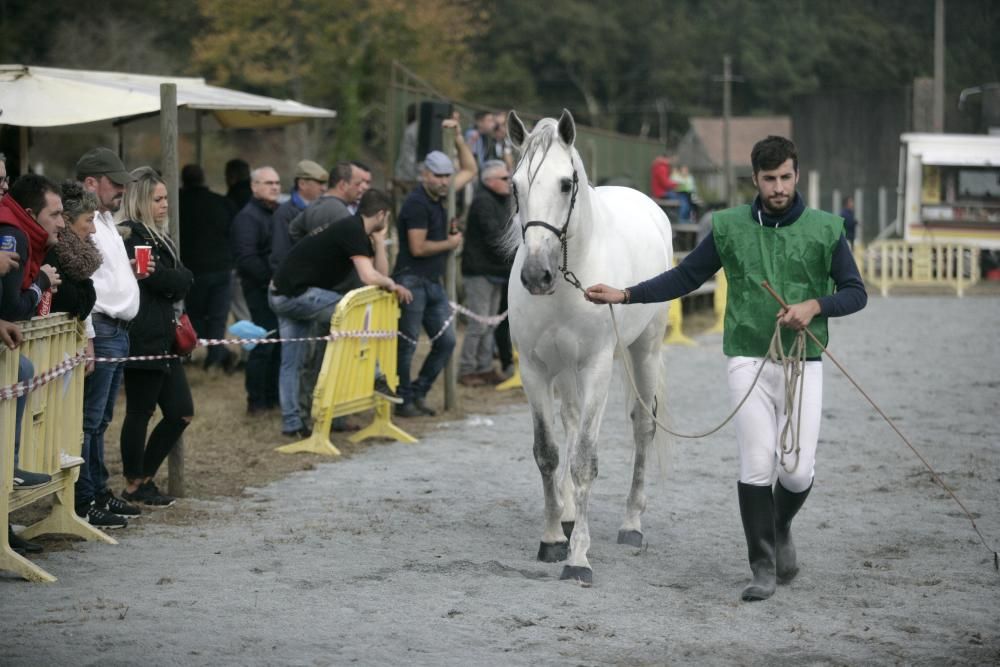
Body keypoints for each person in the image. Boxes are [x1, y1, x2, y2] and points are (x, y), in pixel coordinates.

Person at [585, 135, 868, 603]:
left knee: (797, 471)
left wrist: (815, 304)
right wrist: (625, 294)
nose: (778, 187)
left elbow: (856, 292)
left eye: (785, 177)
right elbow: (685, 276)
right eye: (769, 179)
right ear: (754, 180)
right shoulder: (728, 226)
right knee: (756, 464)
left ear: (796, 175)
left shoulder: (827, 229)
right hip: (747, 356)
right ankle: (761, 567)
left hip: (804, 359)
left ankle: (779, 528)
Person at [269, 189, 413, 436]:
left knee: (291, 363)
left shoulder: (355, 230)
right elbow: (370, 277)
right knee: (351, 313)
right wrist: (392, 285)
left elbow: (380, 271)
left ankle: (293, 424)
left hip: (280, 291)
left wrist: (379, 243)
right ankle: (376, 375)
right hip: (294, 294)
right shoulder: (352, 230)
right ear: (381, 214)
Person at [76, 148, 150, 529]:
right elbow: (83, 282)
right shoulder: (84, 224)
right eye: (115, 182)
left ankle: (98, 490)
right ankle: (84, 499)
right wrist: (88, 333)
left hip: (116, 329)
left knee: (101, 419)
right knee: (89, 420)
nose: (122, 188)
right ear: (91, 182)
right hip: (102, 329)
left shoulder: (105, 220)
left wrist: (132, 279)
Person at [116, 167, 194, 508]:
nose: (165, 205)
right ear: (140, 201)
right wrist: (178, 277)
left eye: (165, 198)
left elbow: (180, 277)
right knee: (140, 411)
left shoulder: (159, 235)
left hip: (165, 335)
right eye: (157, 199)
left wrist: (177, 276)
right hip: (143, 334)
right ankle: (134, 482)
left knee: (181, 412)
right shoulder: (131, 235)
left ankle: (144, 477)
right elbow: (161, 281)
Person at [393, 116, 477, 418]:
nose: (444, 181)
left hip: (433, 282)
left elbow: (471, 170)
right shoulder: (416, 203)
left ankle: (418, 392)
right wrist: (450, 244)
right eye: (438, 176)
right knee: (407, 345)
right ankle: (402, 400)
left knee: (447, 342)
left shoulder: (444, 195)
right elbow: (418, 247)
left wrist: (457, 139)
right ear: (424, 174)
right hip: (411, 281)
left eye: (446, 176)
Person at [0, 174, 63, 497]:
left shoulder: (21, 232)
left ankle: (6, 529)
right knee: (22, 369)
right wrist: (40, 282)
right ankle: (9, 468)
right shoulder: (14, 235)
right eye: (54, 215)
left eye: (5, 178)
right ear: (29, 213)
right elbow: (12, 308)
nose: (62, 223)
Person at [231, 166, 282, 415]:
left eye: (277, 183)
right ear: (254, 186)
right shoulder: (247, 218)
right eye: (268, 182)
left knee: (280, 343)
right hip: (259, 289)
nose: (274, 187)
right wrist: (271, 280)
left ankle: (273, 397)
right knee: (263, 343)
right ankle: (257, 401)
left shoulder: (279, 213)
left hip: (279, 289)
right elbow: (247, 258)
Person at [458, 160, 512, 386]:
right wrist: (516, 252)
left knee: (491, 323)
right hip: (479, 272)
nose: (509, 182)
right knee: (478, 324)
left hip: (496, 271)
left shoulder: (502, 201)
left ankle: (485, 366)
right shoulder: (483, 203)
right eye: (504, 178)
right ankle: (467, 369)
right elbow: (495, 238)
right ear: (489, 181)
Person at [179, 164, 238, 372]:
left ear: (183, 181)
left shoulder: (178, 203)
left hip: (193, 267)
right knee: (218, 316)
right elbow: (234, 232)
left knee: (194, 315)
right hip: (222, 266)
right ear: (203, 179)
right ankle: (216, 355)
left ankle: (215, 353)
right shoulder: (222, 203)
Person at [45, 181, 100, 323]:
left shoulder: (74, 256)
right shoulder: (50, 249)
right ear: (67, 220)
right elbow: (68, 301)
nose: (93, 229)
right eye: (89, 220)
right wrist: (87, 287)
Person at [268, 160, 328, 273]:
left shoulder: (322, 210)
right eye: (319, 183)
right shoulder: (284, 213)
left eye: (324, 184)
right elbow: (280, 256)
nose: (323, 188)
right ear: (302, 184)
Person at [287, 162, 361, 242]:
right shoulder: (341, 213)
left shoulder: (312, 205)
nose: (360, 189)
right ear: (343, 185)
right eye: (357, 184)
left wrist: (308, 250)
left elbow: (293, 230)